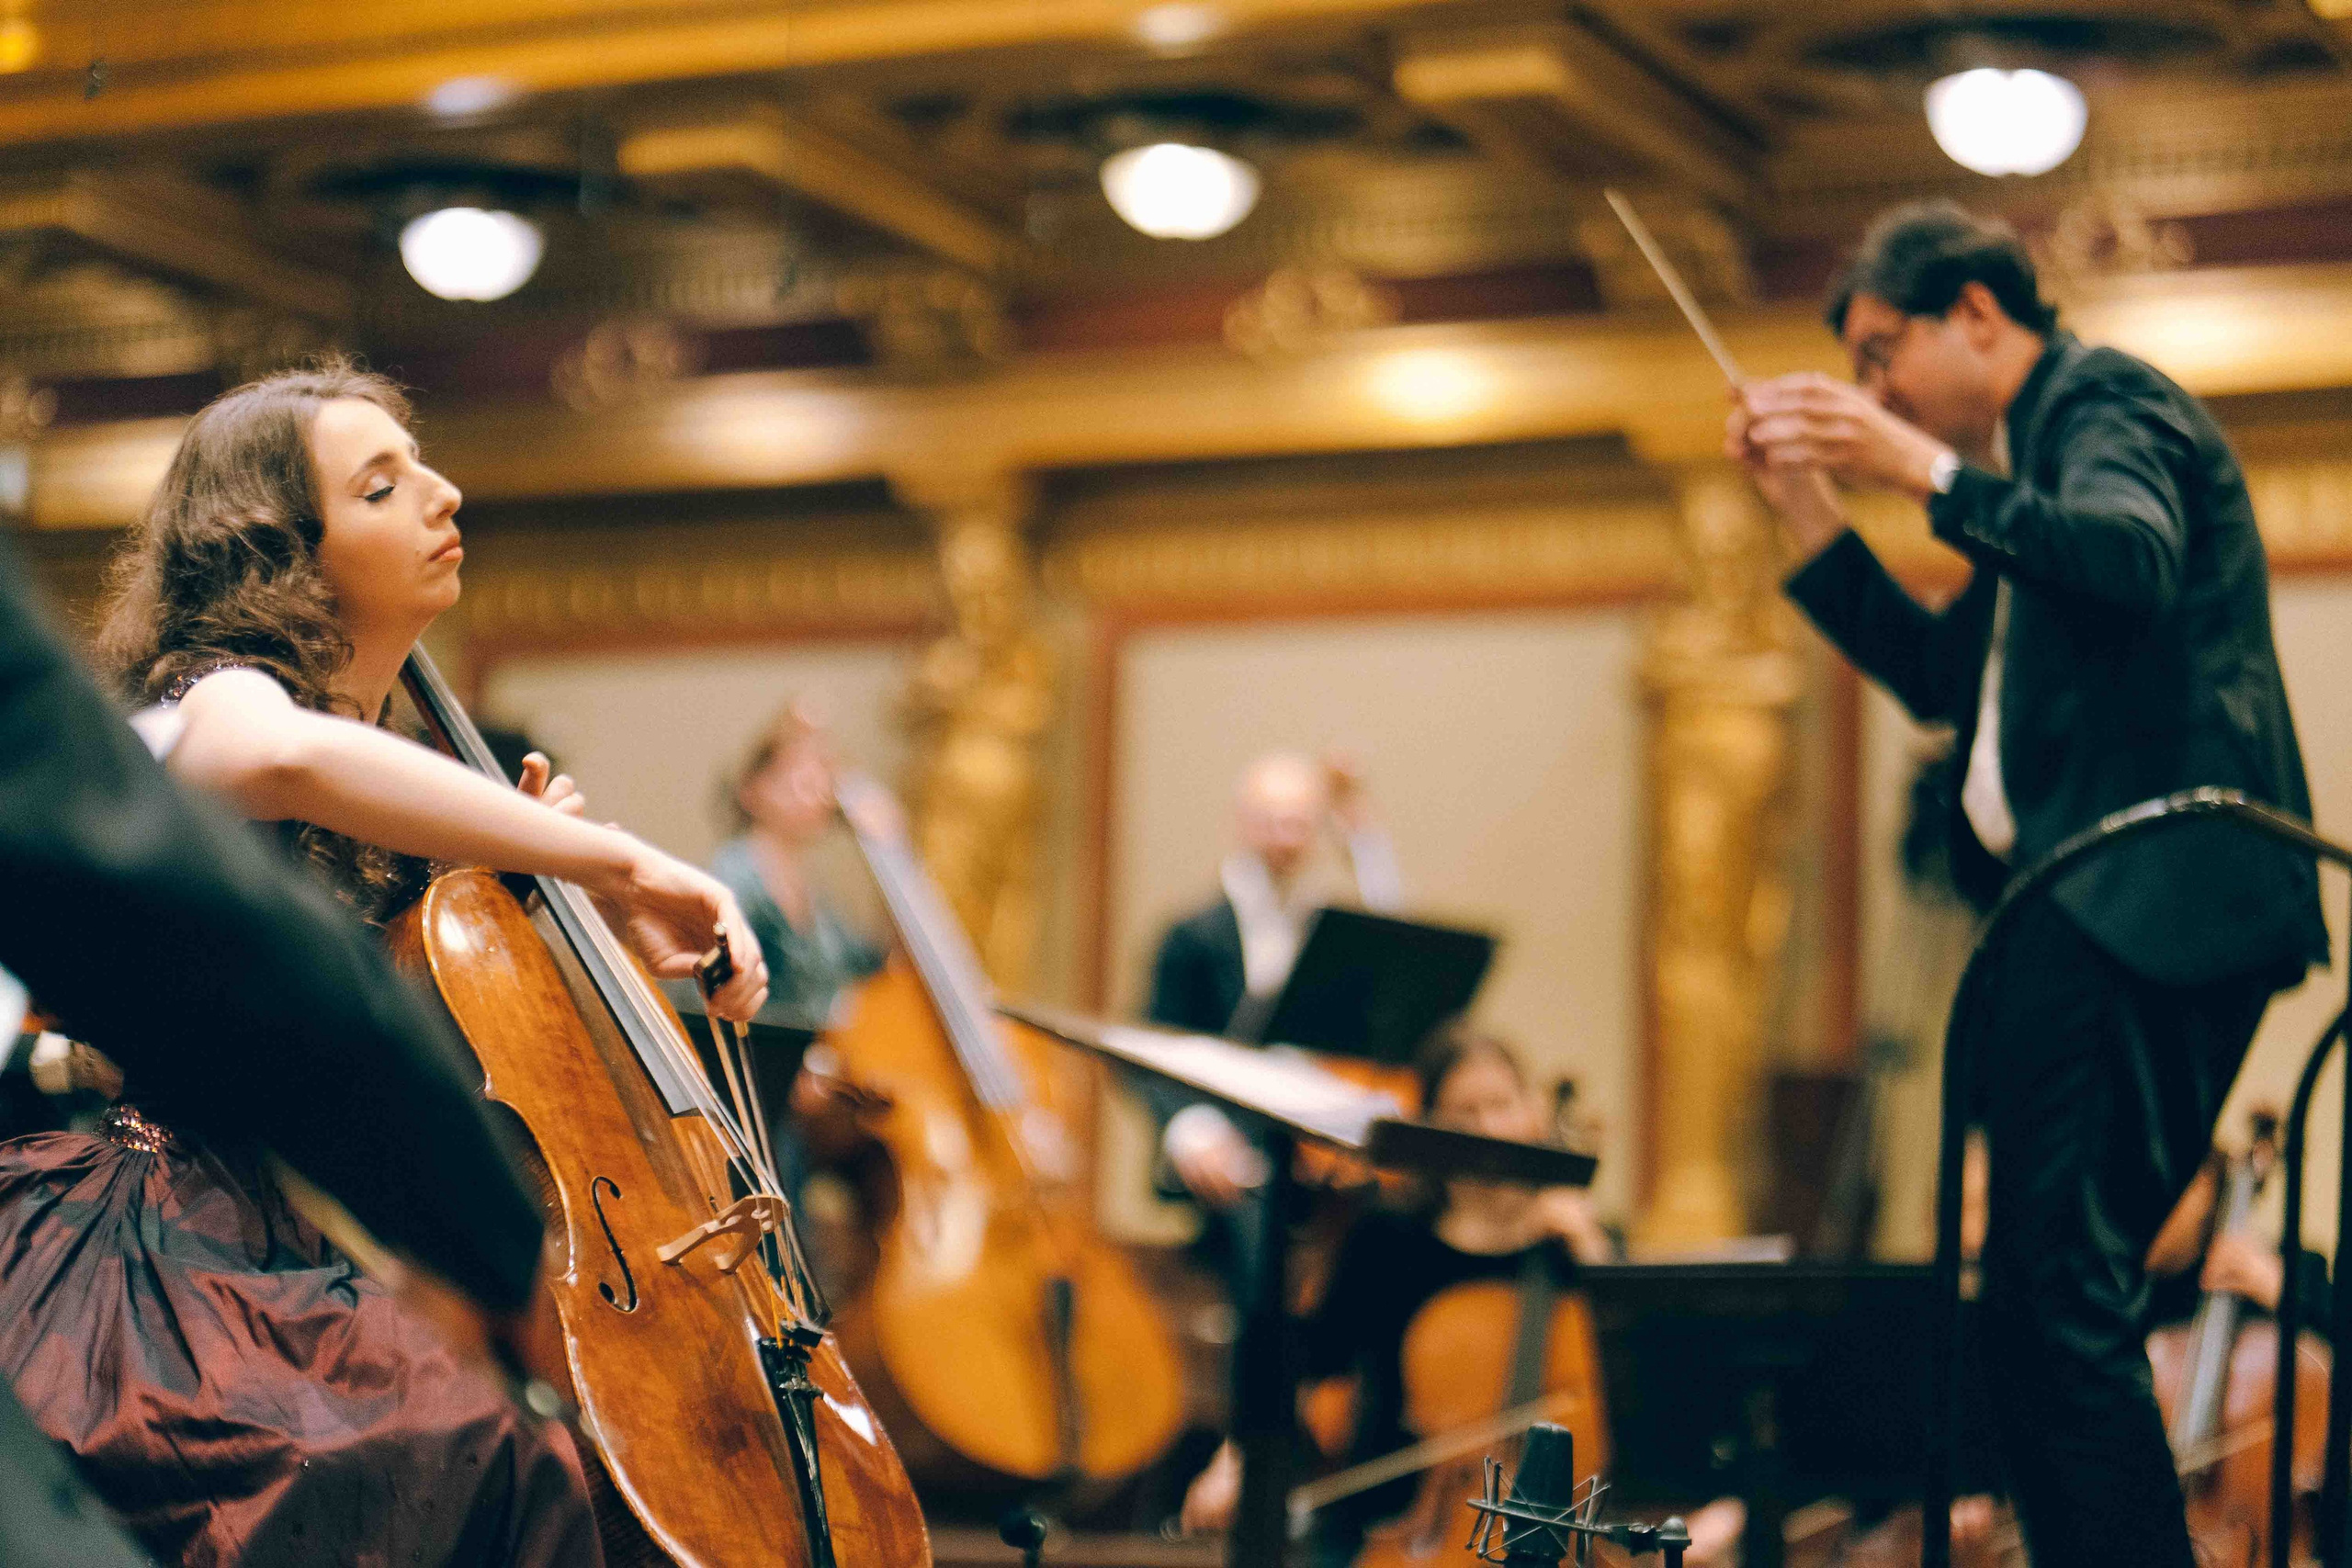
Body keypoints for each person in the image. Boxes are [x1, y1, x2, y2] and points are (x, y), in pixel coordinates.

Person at [0, 358, 770, 1567]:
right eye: (380, 487)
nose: (443, 494)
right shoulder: (222, 695)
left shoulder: (402, 770)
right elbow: (273, 758)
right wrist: (614, 859)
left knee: (533, 1455)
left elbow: (413, 1030)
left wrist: (549, 916)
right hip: (172, 1243)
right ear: (278, 554)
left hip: (338, 1238)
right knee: (446, 1452)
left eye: (421, 466)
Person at [1729, 200, 2327, 1568]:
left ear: (1978, 316)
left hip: (2139, 900)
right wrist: (1804, 503)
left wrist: (1912, 465)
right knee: (2036, 1303)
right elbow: (1946, 676)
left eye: (1883, 352)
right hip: (2086, 909)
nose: (1873, 391)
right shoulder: (2025, 478)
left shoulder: (2103, 400)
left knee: (2055, 1292)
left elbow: (2130, 559)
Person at [1175, 1032, 1711, 1566]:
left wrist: (1592, 1254)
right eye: (1464, 1114)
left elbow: (1648, 1390)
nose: (1489, 1129)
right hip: (1395, 1531)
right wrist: (1236, 1460)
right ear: (1431, 1129)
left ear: (1533, 1112)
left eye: (1502, 1105)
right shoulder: (1389, 1240)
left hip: (1558, 1540)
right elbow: (1307, 1362)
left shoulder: (1581, 1250)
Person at [1146, 750, 1402, 1210]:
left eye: (1299, 824)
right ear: (1243, 822)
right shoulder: (1191, 935)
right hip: (1227, 1147)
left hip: (1311, 1146)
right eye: (1271, 822)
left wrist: (1362, 842)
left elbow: (1396, 966)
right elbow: (1151, 1046)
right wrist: (1192, 1129)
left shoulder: (1324, 926)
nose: (1286, 839)